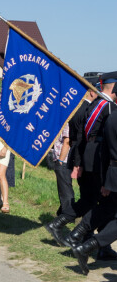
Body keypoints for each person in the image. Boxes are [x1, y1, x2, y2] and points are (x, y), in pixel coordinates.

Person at [62, 72, 117, 259]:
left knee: (100, 203)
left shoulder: (97, 106)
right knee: (101, 204)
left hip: (92, 158)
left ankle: (80, 237)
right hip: (102, 162)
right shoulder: (109, 109)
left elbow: (84, 137)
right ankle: (87, 241)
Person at [44, 77, 99, 245]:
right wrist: (68, 162)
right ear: (91, 91)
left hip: (74, 158)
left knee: (84, 199)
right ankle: (70, 228)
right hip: (75, 159)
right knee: (80, 198)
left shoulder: (78, 108)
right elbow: (74, 139)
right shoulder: (84, 110)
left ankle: (79, 231)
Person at [71, 100, 117, 275]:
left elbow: (103, 152)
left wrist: (106, 180)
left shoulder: (112, 118)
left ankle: (78, 235)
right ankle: (87, 246)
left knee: (108, 208)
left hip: (111, 172)